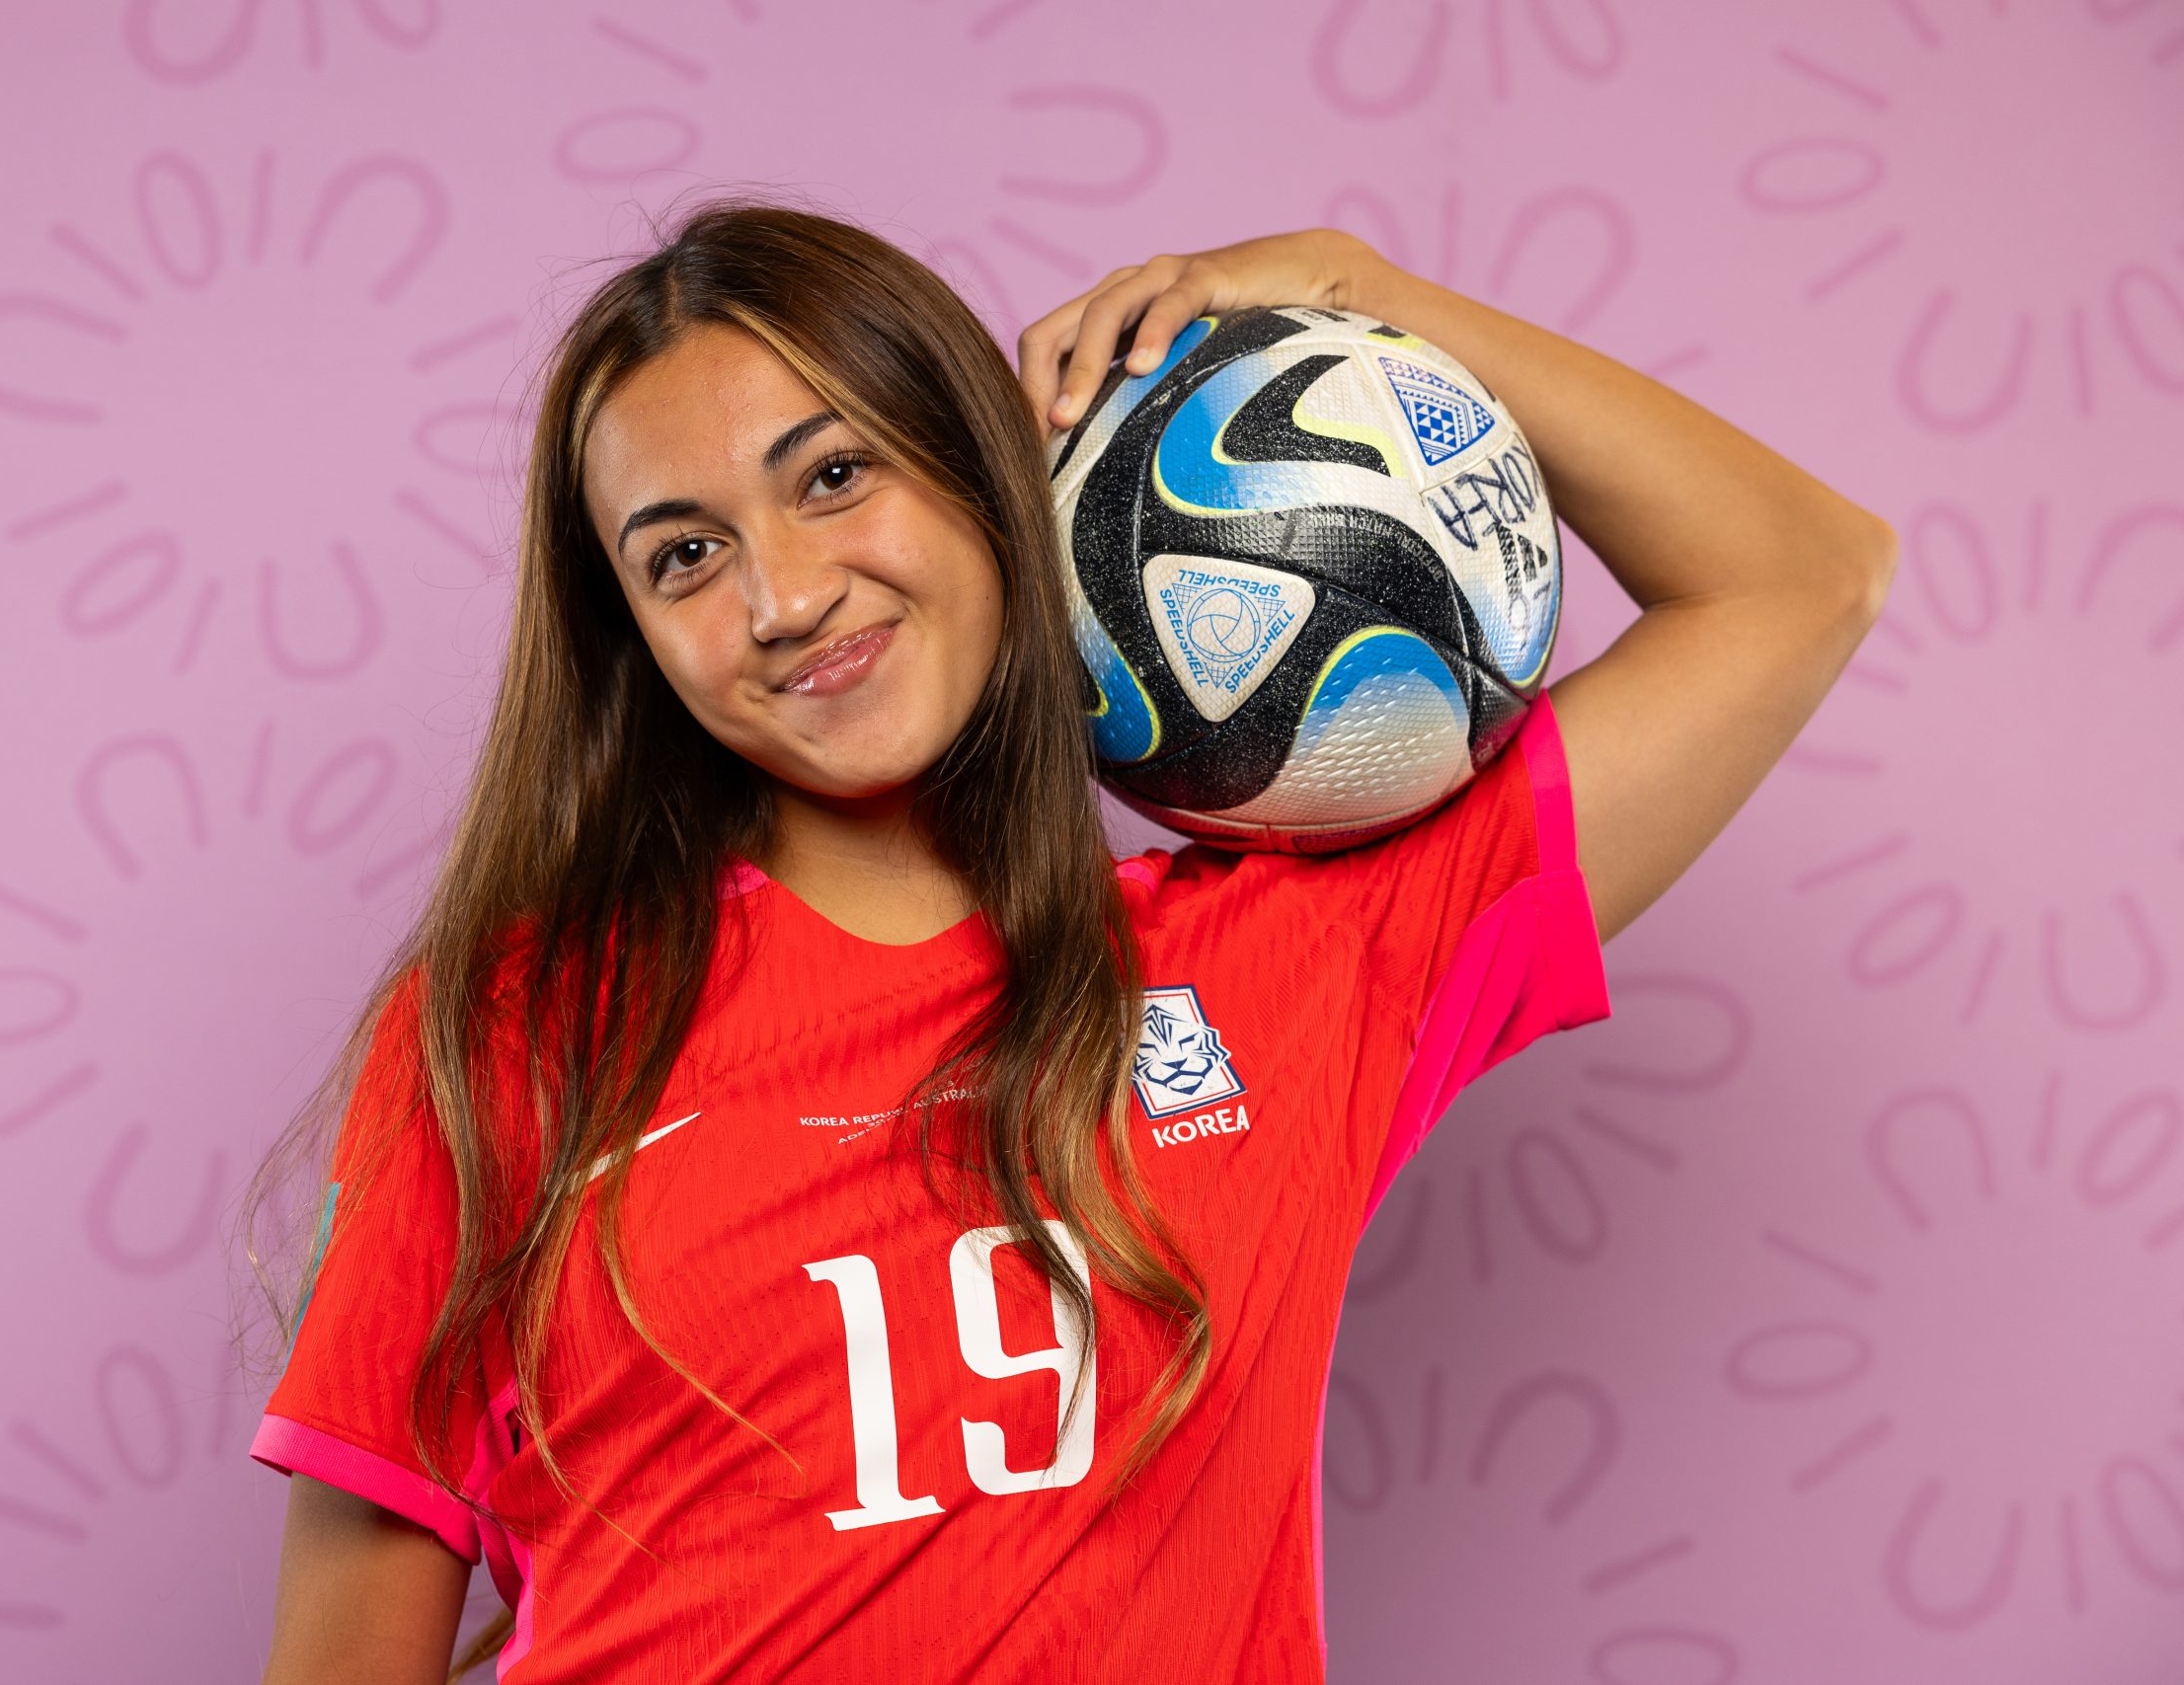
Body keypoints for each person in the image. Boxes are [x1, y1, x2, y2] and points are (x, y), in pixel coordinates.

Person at [243, 197, 1895, 1684]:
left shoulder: (1301, 961)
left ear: (993, 479)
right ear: (637, 641)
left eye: (834, 476)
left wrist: (1354, 288)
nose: (784, 596)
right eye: (685, 555)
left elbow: (1800, 577)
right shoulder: (520, 1033)